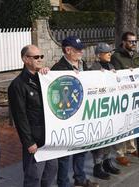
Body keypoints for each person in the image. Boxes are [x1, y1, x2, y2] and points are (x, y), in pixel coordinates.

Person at [51, 36, 98, 187]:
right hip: (66, 116)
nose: (81, 52)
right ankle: (63, 183)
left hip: (83, 114)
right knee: (65, 153)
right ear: (67, 50)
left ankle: (80, 178)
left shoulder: (82, 64)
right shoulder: (58, 68)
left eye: (81, 49)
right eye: (78, 50)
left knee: (81, 148)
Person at [8, 45, 57, 187]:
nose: (40, 59)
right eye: (36, 57)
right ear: (25, 59)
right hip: (32, 135)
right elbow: (20, 116)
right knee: (32, 175)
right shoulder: (17, 85)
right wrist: (28, 141)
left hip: (49, 133)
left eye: (41, 56)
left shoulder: (44, 78)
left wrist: (49, 76)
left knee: (52, 167)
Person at [110, 31, 139, 166]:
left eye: (135, 42)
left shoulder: (136, 54)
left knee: (132, 122)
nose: (133, 44)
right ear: (124, 42)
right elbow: (116, 76)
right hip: (123, 95)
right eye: (131, 42)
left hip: (135, 94)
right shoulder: (116, 56)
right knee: (122, 124)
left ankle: (131, 148)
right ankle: (120, 153)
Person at [89, 43, 121, 180]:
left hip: (111, 109)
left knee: (110, 138)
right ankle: (97, 166)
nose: (109, 54)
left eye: (110, 52)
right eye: (106, 52)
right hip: (100, 111)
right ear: (98, 55)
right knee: (100, 142)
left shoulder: (112, 66)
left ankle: (108, 162)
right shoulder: (93, 69)